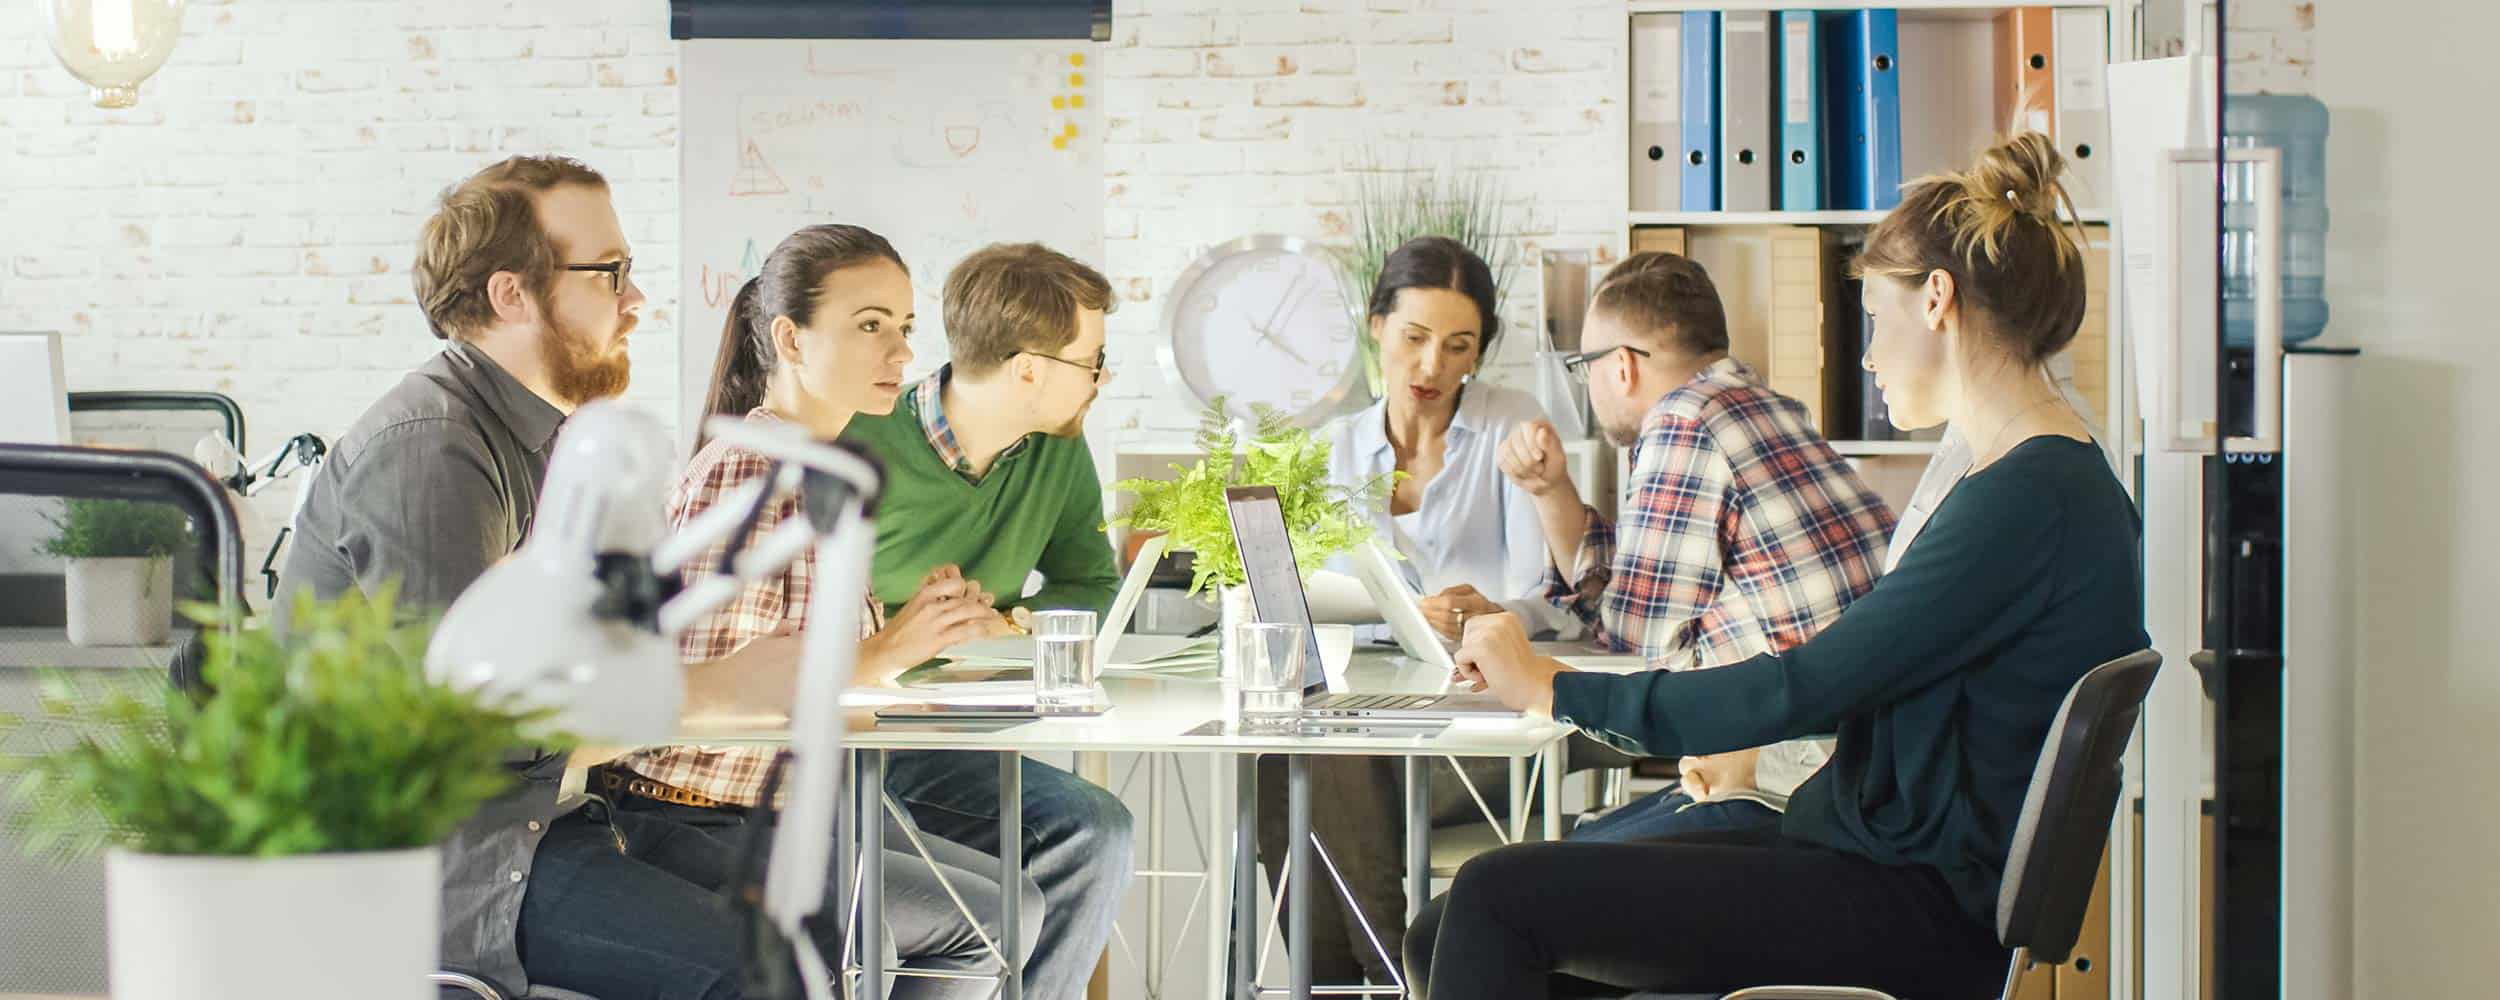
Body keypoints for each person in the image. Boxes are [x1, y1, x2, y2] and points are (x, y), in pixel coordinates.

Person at [1403, 133, 2150, 1000]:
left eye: (1875, 317)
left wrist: (1554, 688)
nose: (1867, 355)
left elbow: (1808, 683)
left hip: (1914, 902)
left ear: (1936, 300)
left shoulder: (2026, 497)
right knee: (1447, 926)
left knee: (1495, 898)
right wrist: (1761, 767)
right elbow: (1903, 700)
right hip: (1895, 864)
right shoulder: (2040, 477)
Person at [276, 156, 825, 998]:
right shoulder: (432, 450)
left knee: (822, 923)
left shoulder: (540, 439)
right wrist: (714, 690)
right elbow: (484, 724)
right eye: (610, 274)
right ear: (510, 294)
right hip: (456, 864)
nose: (636, 300)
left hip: (551, 823)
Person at [605, 224, 1045, 998]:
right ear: (791, 339)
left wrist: (921, 633)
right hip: (692, 818)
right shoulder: (749, 469)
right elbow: (704, 699)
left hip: (769, 809)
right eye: (870, 326)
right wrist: (888, 654)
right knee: (994, 918)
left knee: (1014, 895)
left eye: (905, 329)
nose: (902, 355)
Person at [1497, 251, 1897, 843]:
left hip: (1800, 781)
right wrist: (1550, 490)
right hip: (1859, 759)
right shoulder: (1765, 408)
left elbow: (1635, 644)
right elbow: (1643, 599)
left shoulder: (1685, 423)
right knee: (1575, 846)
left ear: (1623, 367)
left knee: (1542, 865)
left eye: (1587, 367)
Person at [836, 241, 1135, 1000]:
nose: (1100, 380)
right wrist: (906, 634)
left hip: (957, 733)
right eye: (1091, 360)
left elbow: (1092, 583)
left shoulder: (1058, 452)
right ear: (1029, 367)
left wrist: (1015, 625)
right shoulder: (856, 436)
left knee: (1095, 830)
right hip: (852, 739)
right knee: (978, 900)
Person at [1323, 235, 1571, 640]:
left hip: (1481, 677)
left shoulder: (1511, 424)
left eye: (1458, 346)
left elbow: (1553, 603)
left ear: (1476, 354)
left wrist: (1493, 615)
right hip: (1359, 684)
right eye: (1414, 338)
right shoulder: (1335, 448)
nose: (1433, 365)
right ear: (1378, 326)